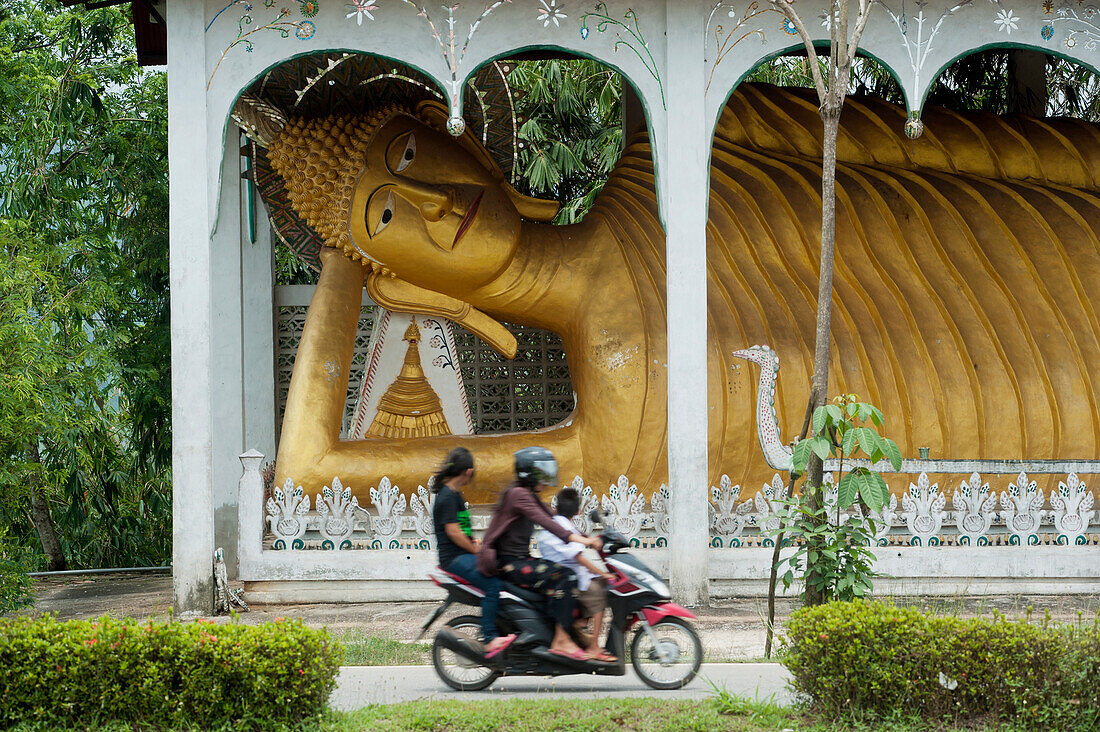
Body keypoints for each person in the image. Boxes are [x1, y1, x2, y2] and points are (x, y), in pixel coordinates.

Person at [479, 446, 602, 661]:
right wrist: (583, 540)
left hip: (519, 560)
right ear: (530, 472)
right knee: (564, 575)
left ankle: (564, 633)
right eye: (542, 472)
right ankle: (561, 640)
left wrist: (590, 537)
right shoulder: (518, 495)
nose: (546, 478)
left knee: (562, 575)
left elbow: (556, 518)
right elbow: (548, 524)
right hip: (508, 563)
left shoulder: (526, 493)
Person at [431, 447, 515, 658]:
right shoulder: (447, 497)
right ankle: (489, 638)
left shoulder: (453, 494)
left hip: (463, 555)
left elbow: (463, 531)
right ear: (468, 472)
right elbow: (454, 532)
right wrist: (476, 550)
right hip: (455, 559)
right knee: (493, 584)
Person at [536, 487, 618, 662]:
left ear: (556, 507)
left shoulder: (559, 523)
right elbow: (578, 557)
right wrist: (602, 574)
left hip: (566, 574)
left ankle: (580, 627)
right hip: (569, 577)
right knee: (598, 593)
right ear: (578, 511)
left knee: (601, 585)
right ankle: (594, 647)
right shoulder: (564, 525)